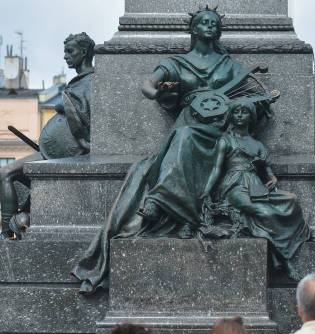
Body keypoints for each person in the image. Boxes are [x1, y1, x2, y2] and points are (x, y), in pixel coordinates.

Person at [72, 7, 279, 294]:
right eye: (203, 22)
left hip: (220, 127)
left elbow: (249, 98)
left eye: (214, 23)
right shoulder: (176, 62)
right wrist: (157, 92)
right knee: (182, 138)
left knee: (184, 140)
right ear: (193, 29)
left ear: (218, 31)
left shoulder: (230, 66)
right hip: (188, 124)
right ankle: (162, 201)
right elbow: (148, 84)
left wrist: (254, 105)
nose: (209, 26)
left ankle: (158, 202)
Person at [201, 100, 311, 279]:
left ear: (251, 116)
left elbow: (269, 173)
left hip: (257, 187)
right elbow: (216, 169)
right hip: (234, 186)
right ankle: (285, 261)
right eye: (236, 111)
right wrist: (206, 192)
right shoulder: (226, 140)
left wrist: (272, 179)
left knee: (291, 199)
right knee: (265, 214)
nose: (239, 115)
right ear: (231, 115)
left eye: (244, 112)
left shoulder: (258, 145)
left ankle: (285, 246)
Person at [0, 32, 94, 240]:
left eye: (70, 51)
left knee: (5, 173)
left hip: (67, 154)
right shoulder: (78, 82)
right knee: (6, 174)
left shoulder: (93, 81)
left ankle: (6, 232)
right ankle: (14, 223)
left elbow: (86, 118)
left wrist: (67, 107)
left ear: (85, 51)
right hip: (51, 153)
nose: (65, 57)